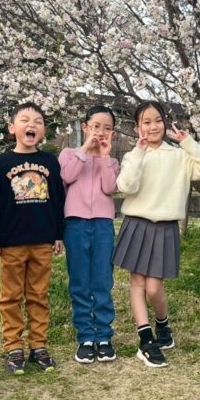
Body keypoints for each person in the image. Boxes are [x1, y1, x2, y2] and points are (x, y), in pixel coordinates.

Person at [113, 100, 200, 368]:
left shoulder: (179, 156)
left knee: (154, 287)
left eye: (157, 120)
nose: (153, 126)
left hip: (165, 226)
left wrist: (187, 142)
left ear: (165, 123)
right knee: (137, 283)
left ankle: (163, 324)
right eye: (146, 122)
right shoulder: (133, 155)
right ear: (138, 127)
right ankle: (146, 339)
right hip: (137, 223)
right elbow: (126, 186)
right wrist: (138, 152)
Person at [0, 101, 66, 375]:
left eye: (38, 121)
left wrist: (59, 234)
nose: (32, 125)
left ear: (43, 131)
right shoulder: (2, 163)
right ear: (11, 128)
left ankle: (39, 345)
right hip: (11, 242)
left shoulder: (50, 162)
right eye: (25, 120)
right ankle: (13, 346)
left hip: (43, 241)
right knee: (11, 296)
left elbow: (58, 200)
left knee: (39, 295)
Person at [59, 105, 120, 363]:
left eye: (107, 128)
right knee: (80, 281)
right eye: (96, 126)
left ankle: (104, 336)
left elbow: (110, 188)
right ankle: (85, 335)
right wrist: (85, 149)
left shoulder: (112, 162)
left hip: (104, 224)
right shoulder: (69, 154)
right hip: (75, 224)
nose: (101, 132)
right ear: (85, 128)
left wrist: (104, 157)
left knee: (103, 280)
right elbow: (67, 176)